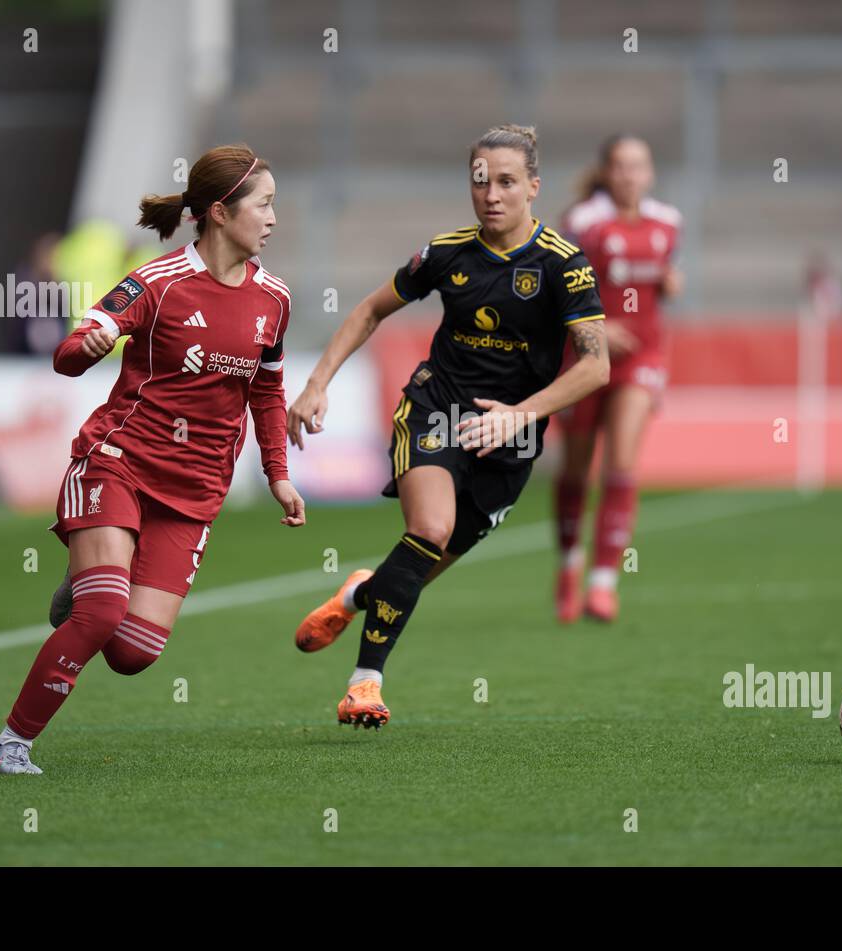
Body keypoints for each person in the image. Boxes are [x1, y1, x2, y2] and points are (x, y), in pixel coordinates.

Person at [0, 144, 305, 774]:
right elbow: (68, 354)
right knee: (104, 611)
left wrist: (278, 474)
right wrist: (93, 341)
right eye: (264, 205)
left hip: (196, 488)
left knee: (133, 652)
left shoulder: (275, 298)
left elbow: (266, 391)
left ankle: (87, 588)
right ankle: (12, 744)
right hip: (119, 462)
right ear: (219, 211)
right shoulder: (157, 283)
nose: (273, 218)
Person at [287, 124, 609, 729]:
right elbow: (370, 310)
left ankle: (360, 592)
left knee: (414, 572)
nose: (491, 194)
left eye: (507, 182)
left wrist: (522, 413)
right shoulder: (445, 253)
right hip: (438, 408)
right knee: (429, 528)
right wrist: (317, 382)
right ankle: (365, 685)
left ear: (533, 187)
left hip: (511, 439)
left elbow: (596, 366)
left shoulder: (564, 265)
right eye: (480, 180)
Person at [552, 134, 683, 623]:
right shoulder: (583, 224)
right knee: (575, 470)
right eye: (622, 166)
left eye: (640, 166)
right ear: (607, 172)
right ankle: (569, 564)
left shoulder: (668, 223)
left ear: (649, 173)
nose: (631, 175)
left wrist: (669, 281)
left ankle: (604, 583)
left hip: (642, 356)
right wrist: (600, 324)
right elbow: (560, 288)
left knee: (622, 462)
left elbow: (659, 277)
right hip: (584, 356)